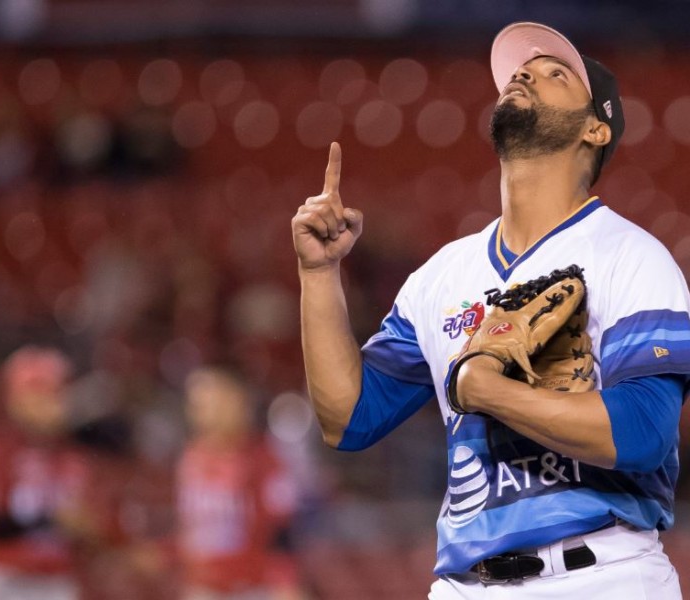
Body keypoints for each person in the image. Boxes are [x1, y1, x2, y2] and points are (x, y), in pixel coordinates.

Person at [291, 21, 689, 599]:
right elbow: (347, 420)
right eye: (520, 72)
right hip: (465, 583)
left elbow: (642, 433)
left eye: (557, 75)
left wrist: (486, 389)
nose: (526, 74)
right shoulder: (442, 275)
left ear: (596, 129)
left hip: (602, 574)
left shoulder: (631, 256)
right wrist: (318, 274)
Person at [0, 345, 117, 600]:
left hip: (53, 580)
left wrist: (91, 528)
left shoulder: (76, 456)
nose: (52, 402)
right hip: (0, 578)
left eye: (56, 393)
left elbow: (96, 528)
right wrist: (51, 520)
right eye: (39, 393)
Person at [173, 365, 304, 600]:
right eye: (195, 401)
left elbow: (280, 533)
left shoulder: (264, 461)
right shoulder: (190, 458)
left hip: (251, 590)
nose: (200, 408)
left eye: (210, 399)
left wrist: (286, 585)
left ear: (237, 401)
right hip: (201, 588)